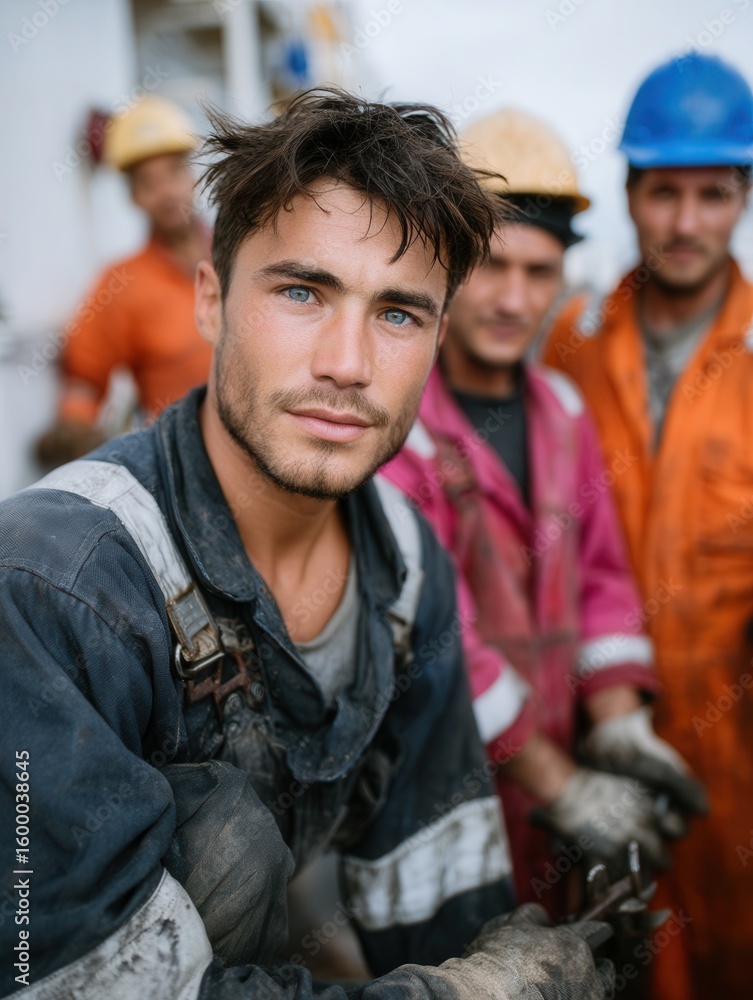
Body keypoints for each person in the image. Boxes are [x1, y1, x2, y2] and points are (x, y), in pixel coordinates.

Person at [0, 90, 616, 999]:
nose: (347, 363)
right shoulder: (54, 585)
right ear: (210, 300)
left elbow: (437, 880)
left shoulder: (406, 569)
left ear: (437, 336)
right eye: (301, 291)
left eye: (398, 314)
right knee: (224, 842)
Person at [382, 108, 706, 918]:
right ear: (448, 267)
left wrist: (619, 723)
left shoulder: (561, 410)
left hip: (552, 803)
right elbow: (437, 640)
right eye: (491, 267)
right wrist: (563, 784)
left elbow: (600, 578)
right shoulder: (399, 430)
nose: (512, 299)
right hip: (440, 816)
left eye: (539, 272)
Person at [542, 53, 753, 1000]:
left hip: (736, 731)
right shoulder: (572, 339)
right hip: (595, 715)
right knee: (623, 957)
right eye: (662, 192)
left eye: (712, 194)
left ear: (742, 197)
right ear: (627, 192)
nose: (684, 223)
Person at [36, 95, 213, 467]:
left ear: (192, 175)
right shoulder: (122, 284)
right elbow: (85, 376)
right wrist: (74, 431)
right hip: (185, 465)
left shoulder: (241, 254)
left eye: (173, 172)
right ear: (133, 197)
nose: (166, 192)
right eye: (148, 182)